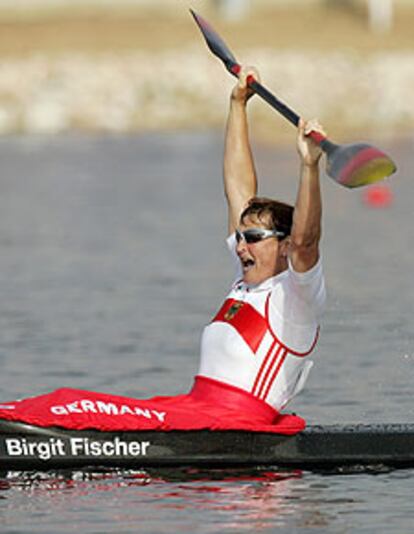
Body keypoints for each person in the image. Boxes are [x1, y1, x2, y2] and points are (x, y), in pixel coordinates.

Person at [0, 67, 325, 436]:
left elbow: (306, 240)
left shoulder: (297, 296)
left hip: (236, 426)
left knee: (74, 402)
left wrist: (309, 166)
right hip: (197, 410)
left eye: (253, 238)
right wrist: (237, 105)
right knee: (71, 400)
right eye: (240, 236)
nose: (240, 246)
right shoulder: (245, 284)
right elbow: (238, 188)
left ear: (283, 245)